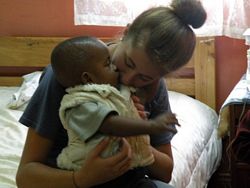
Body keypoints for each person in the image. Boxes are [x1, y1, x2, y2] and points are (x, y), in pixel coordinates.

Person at [16, 0, 207, 187]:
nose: (128, 79)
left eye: (144, 77)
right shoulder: (68, 75)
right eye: (129, 63)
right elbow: (25, 176)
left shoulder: (155, 88)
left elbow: (165, 172)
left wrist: (138, 134)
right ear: (126, 32)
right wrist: (80, 179)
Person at [51, 36, 179, 187]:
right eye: (109, 64)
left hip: (130, 176)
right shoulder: (79, 102)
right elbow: (110, 124)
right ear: (88, 78)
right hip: (92, 180)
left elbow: (165, 173)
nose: (118, 71)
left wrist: (136, 112)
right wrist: (150, 126)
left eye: (145, 77)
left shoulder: (112, 90)